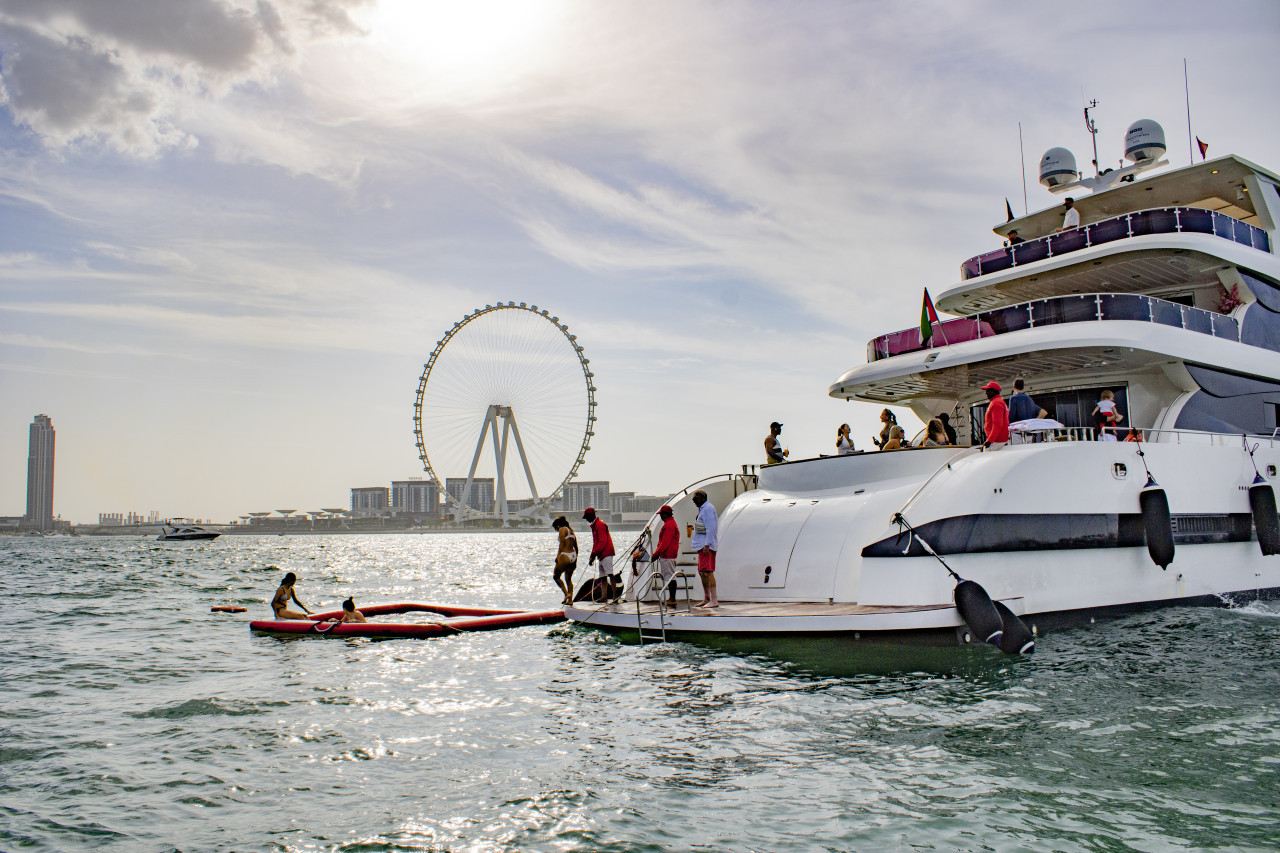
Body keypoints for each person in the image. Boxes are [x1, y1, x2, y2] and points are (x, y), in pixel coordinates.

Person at [582, 506, 619, 603]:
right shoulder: (594, 526)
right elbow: (595, 543)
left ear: (591, 516)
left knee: (610, 574)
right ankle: (604, 597)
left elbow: (602, 542)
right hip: (601, 554)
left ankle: (615, 597)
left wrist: (594, 554)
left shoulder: (600, 525)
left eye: (587, 517)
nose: (586, 519)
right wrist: (592, 556)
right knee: (603, 577)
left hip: (606, 553)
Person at [690, 490, 719, 608]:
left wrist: (707, 544)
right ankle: (706, 598)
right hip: (702, 546)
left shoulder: (707, 509)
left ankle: (714, 600)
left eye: (695, 498)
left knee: (708, 572)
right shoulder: (703, 509)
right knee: (702, 572)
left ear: (702, 498)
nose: (694, 500)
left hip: (706, 546)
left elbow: (711, 528)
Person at [653, 504, 680, 604]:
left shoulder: (669, 525)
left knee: (670, 577)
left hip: (668, 555)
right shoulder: (670, 523)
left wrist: (655, 555)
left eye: (661, 514)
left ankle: (672, 599)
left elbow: (665, 543)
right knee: (670, 577)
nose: (660, 516)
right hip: (667, 555)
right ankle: (671, 598)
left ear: (665, 514)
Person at [551, 516, 578, 605]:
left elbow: (562, 544)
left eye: (555, 528)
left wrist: (558, 557)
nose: (556, 530)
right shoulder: (572, 531)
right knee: (568, 579)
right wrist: (575, 560)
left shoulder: (562, 529)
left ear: (558, 526)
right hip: (573, 556)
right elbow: (576, 547)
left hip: (565, 555)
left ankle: (566, 594)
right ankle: (570, 601)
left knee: (556, 576)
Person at [981, 380, 1009, 448]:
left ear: (993, 391)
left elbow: (997, 425)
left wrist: (989, 441)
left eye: (987, 390)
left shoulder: (996, 403)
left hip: (996, 442)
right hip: (997, 441)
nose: (986, 393)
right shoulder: (998, 401)